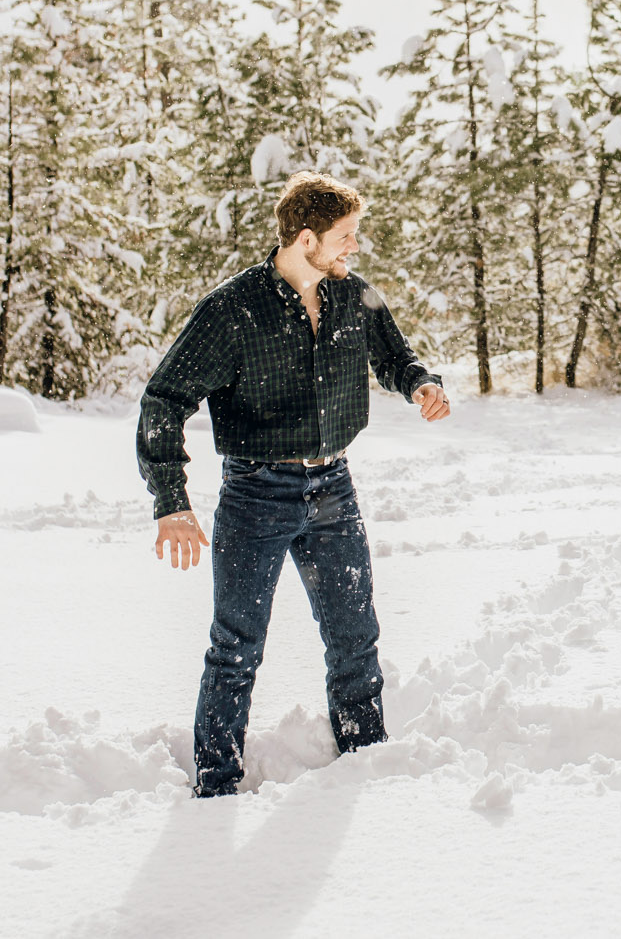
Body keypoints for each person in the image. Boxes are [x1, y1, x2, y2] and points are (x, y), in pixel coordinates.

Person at [137, 172, 451, 797]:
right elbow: (163, 400)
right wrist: (171, 501)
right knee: (237, 646)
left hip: (334, 488)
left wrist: (419, 383)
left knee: (355, 638)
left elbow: (394, 355)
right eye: (344, 237)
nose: (353, 248)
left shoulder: (352, 296)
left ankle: (366, 765)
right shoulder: (232, 311)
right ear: (305, 239)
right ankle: (216, 782)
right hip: (256, 494)